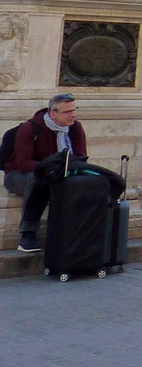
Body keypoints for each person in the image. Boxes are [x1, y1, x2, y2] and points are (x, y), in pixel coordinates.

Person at [3, 93, 87, 253]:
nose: (73, 115)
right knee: (39, 181)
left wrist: (68, 168)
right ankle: (28, 234)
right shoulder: (30, 128)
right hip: (17, 175)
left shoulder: (75, 128)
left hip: (57, 172)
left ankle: (75, 234)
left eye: (74, 110)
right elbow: (24, 164)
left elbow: (81, 157)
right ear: (53, 113)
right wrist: (52, 167)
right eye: (67, 112)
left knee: (86, 180)